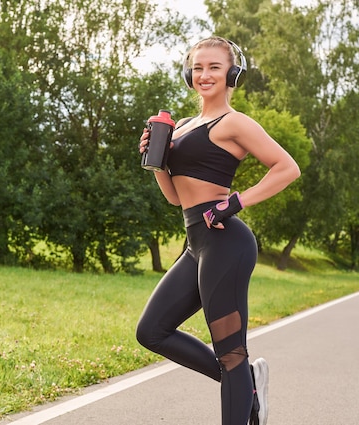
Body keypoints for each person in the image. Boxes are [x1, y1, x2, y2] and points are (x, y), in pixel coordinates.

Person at [135, 36, 301, 425]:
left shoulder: (234, 122)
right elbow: (176, 198)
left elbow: (286, 168)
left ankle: (243, 386)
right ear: (188, 74)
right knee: (152, 331)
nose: (204, 75)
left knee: (230, 353)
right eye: (197, 67)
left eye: (214, 67)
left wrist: (237, 202)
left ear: (232, 74)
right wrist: (156, 160)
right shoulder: (183, 127)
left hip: (226, 241)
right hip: (196, 243)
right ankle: (248, 388)